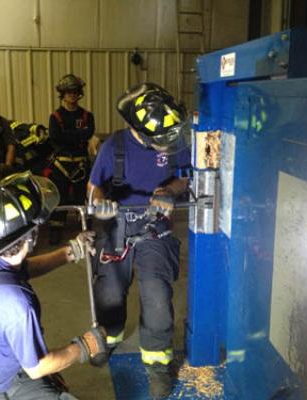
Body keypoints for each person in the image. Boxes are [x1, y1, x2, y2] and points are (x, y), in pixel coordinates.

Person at [0, 172, 107, 400]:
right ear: (30, 237)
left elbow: (21, 269)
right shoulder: (16, 303)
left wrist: (70, 252)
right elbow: (38, 367)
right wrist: (83, 347)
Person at [87, 83, 191, 399]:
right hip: (115, 226)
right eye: (159, 142)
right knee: (110, 293)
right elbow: (93, 188)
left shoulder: (172, 137)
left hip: (154, 227)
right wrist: (100, 202)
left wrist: (170, 191)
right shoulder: (114, 147)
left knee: (158, 294)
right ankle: (110, 337)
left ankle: (158, 364)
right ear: (137, 128)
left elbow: (185, 174)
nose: (167, 145)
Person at [47, 74, 95, 244]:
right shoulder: (55, 116)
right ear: (63, 94)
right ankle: (55, 229)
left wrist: (67, 135)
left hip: (81, 164)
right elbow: (55, 138)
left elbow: (88, 134)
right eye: (68, 92)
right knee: (60, 197)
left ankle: (85, 228)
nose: (72, 95)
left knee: (83, 196)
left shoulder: (87, 116)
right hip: (61, 165)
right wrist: (77, 137)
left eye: (75, 92)